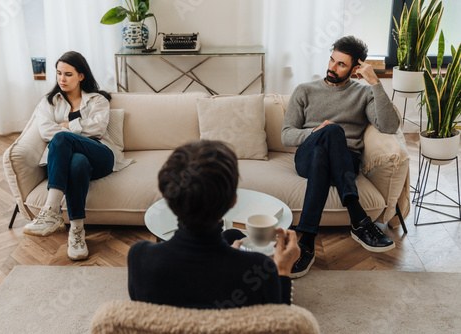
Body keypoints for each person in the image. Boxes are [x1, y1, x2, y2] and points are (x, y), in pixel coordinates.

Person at [127, 140, 300, 309]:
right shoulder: (260, 270)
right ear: (233, 201)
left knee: (231, 235)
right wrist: (283, 270)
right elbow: (281, 325)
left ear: (170, 201)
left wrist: (232, 256)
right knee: (233, 235)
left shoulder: (139, 257)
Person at [281, 36, 400, 279]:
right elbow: (286, 135)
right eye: (332, 60)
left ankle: (307, 240)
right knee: (330, 132)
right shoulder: (305, 90)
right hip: (307, 155)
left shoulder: (364, 93)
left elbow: (389, 126)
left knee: (332, 134)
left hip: (345, 161)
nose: (332, 68)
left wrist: (376, 83)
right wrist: (314, 133)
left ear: (356, 68)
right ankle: (358, 218)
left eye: (341, 65)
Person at [23, 51, 128, 261]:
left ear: (81, 76)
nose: (62, 79)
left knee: (62, 138)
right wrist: (78, 130)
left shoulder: (98, 100)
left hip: (101, 155)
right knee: (76, 162)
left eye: (68, 74)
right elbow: (45, 132)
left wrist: (66, 127)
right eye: (59, 73)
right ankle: (77, 232)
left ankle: (51, 211)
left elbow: (97, 129)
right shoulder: (48, 102)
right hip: (72, 162)